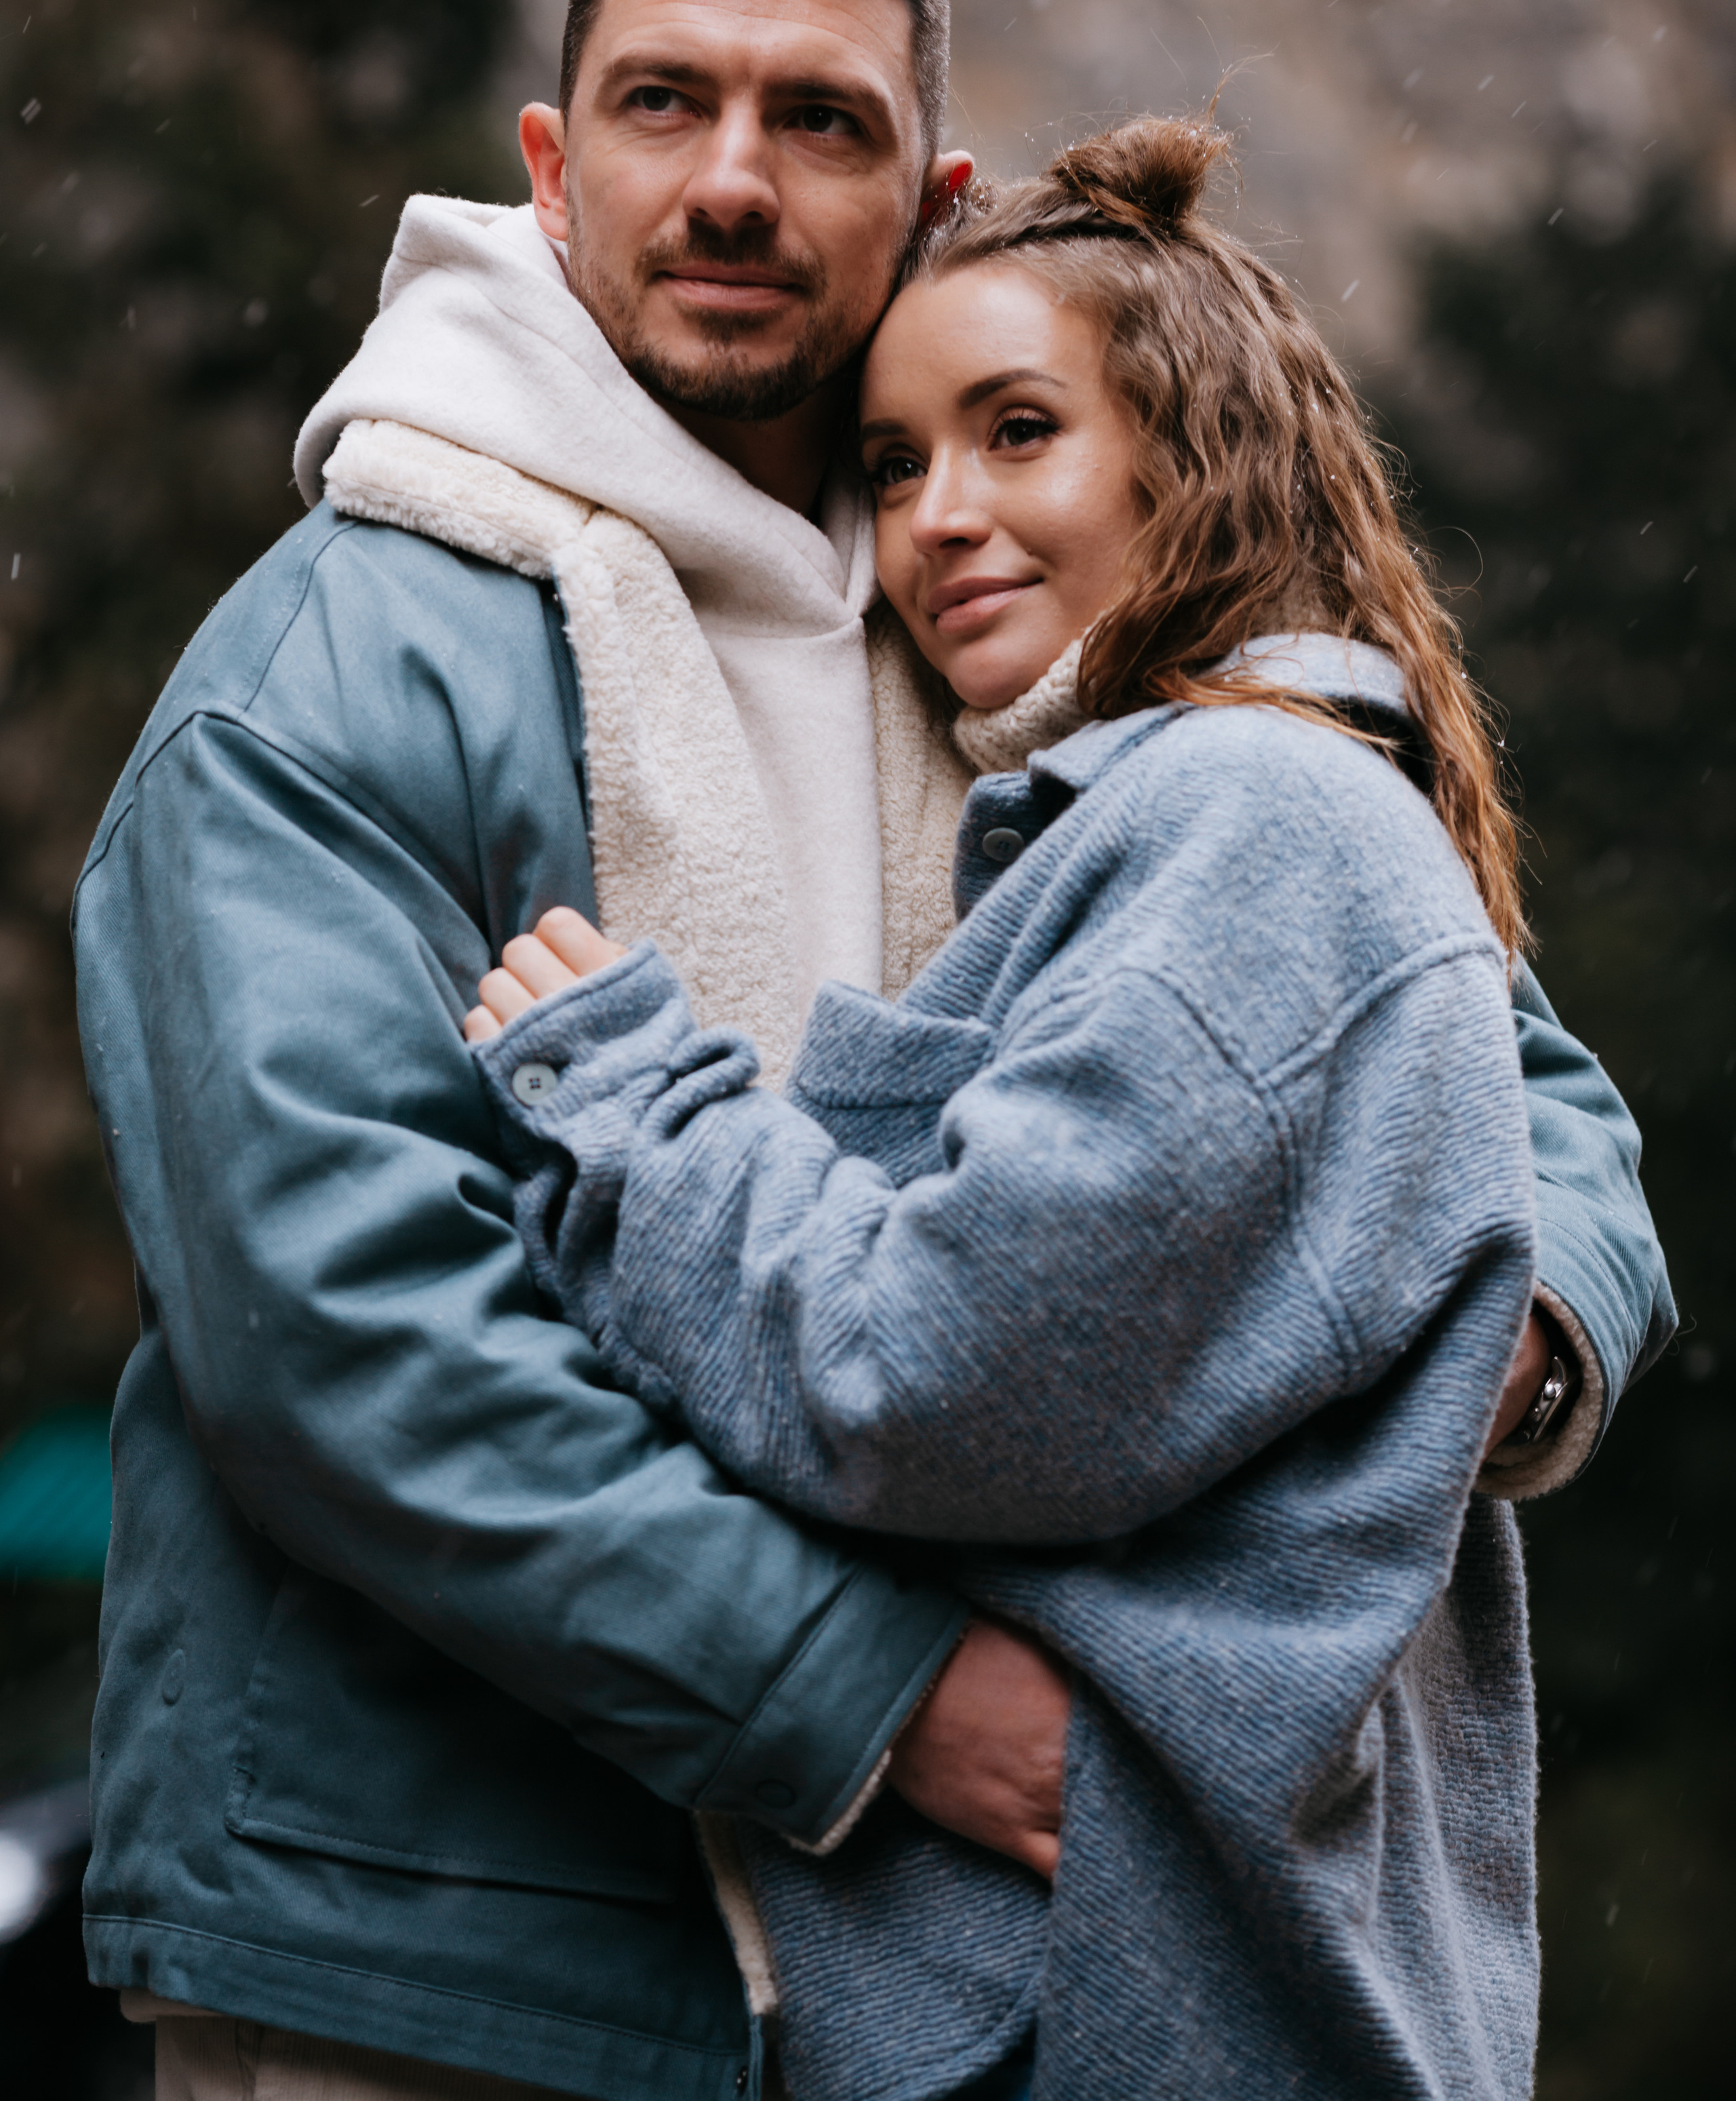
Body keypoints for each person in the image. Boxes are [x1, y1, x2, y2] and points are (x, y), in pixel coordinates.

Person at [71, 0, 1672, 2101]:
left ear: (931, 192)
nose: (735, 180)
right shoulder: (342, 662)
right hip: (450, 1938)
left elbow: (1490, 1072)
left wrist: (1466, 1345)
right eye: (665, 103)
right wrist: (880, 1701)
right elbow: (340, 1334)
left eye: (819, 121)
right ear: (550, 167)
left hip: (929, 1993)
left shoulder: (994, 587)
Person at [465, 115, 1601, 2101]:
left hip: (1126, 2009)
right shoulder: (1242, 811)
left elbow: (941, 1371)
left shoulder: (1250, 825)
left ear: (1197, 454)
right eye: (893, 465)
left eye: (1018, 433)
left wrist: (634, 1103)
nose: (938, 519)